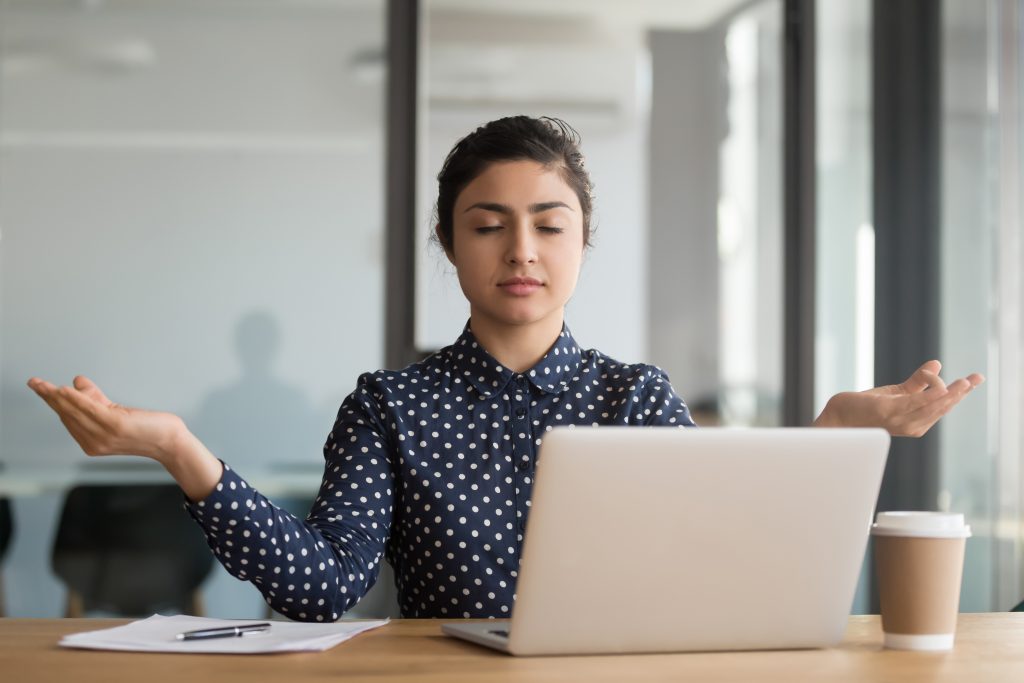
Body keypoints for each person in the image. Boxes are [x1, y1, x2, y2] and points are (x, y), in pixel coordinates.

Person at [27, 116, 984, 621]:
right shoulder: (391, 406)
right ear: (450, 246)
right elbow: (319, 585)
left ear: (581, 243)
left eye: (548, 224)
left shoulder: (633, 396)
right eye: (488, 226)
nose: (520, 249)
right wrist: (177, 447)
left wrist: (831, 436)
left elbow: (724, 560)